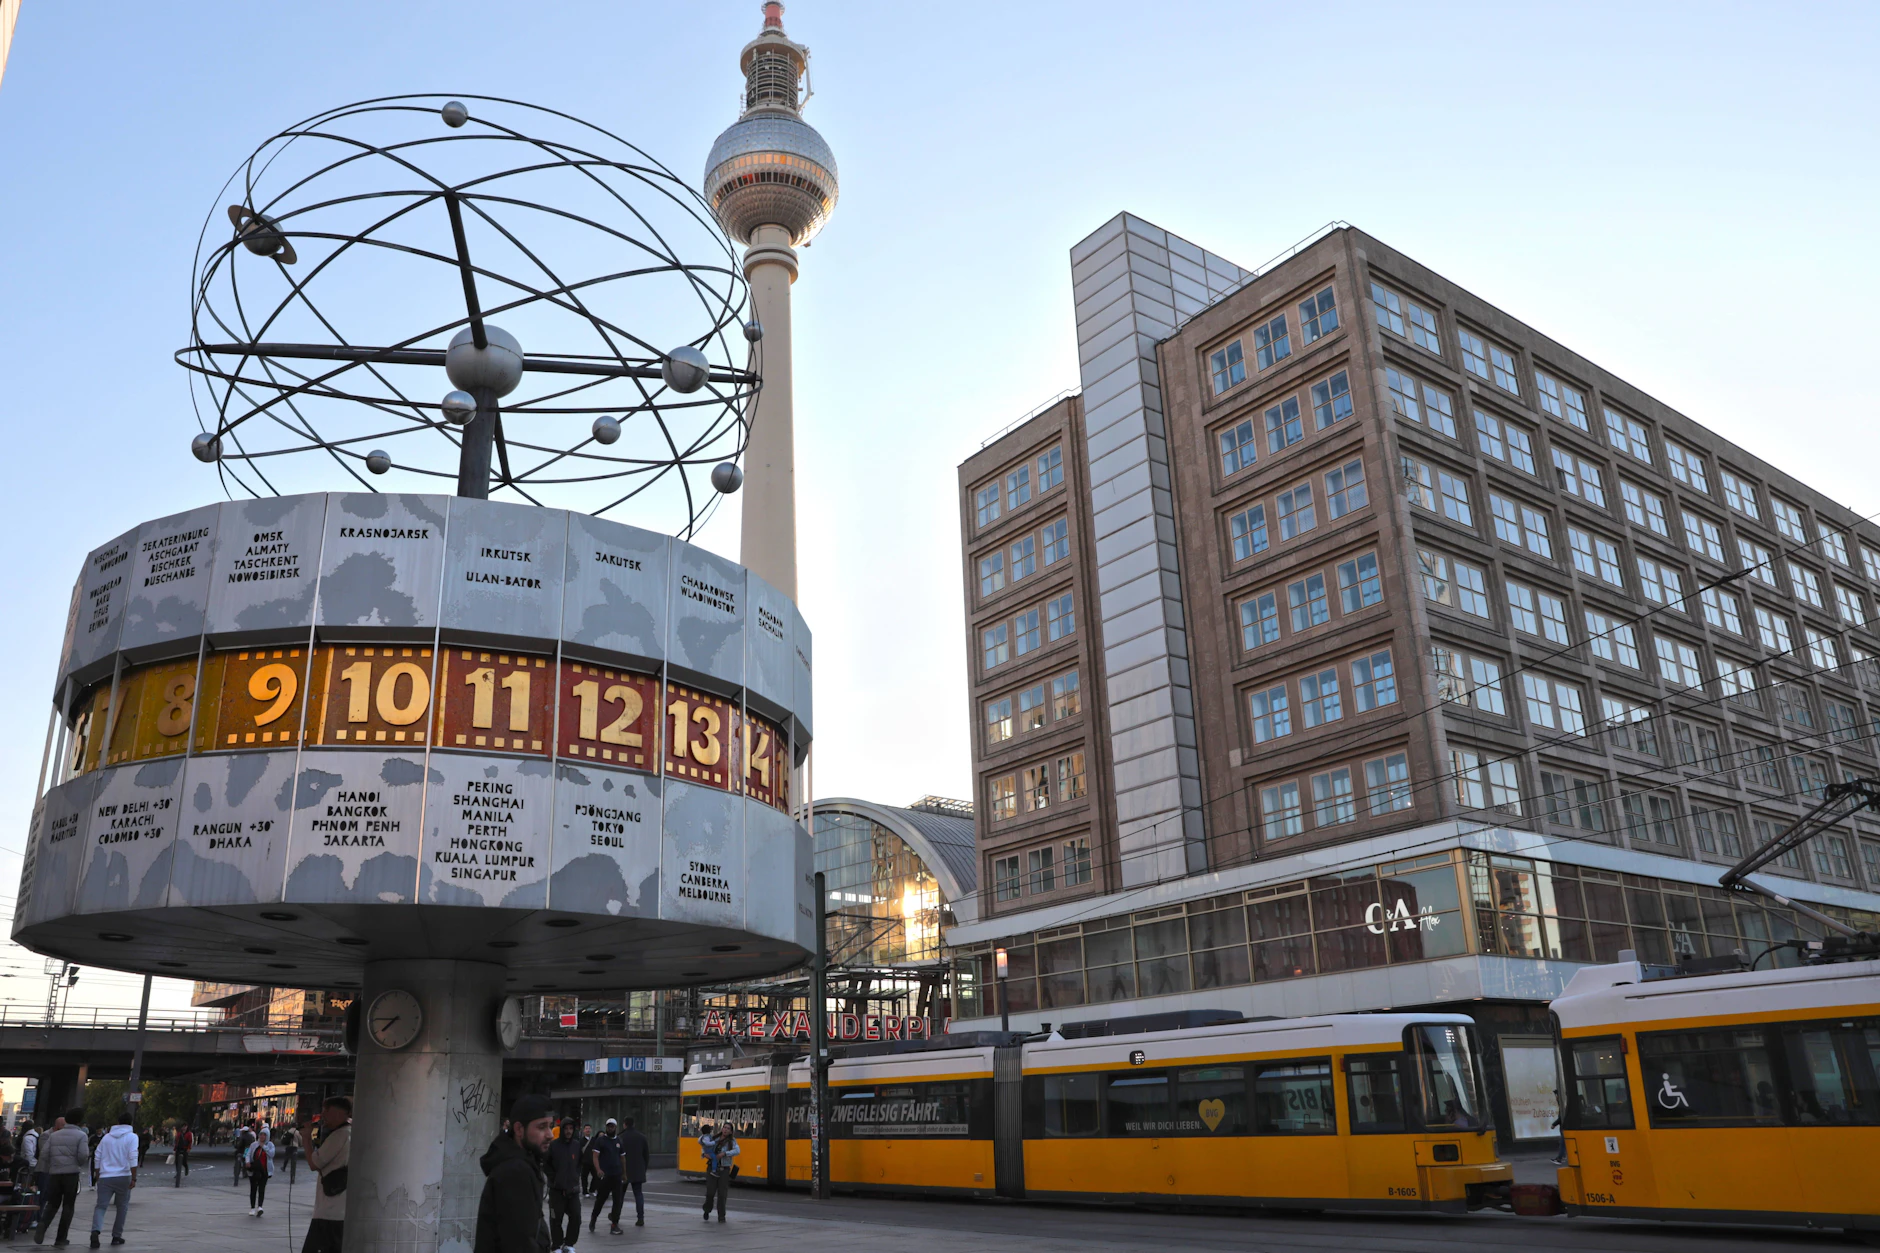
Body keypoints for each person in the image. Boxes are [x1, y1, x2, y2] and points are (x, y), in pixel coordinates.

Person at [473, 1095, 553, 1253]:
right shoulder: (515, 1171)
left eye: (550, 1126)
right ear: (519, 1129)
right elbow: (519, 1242)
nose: (550, 1134)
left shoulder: (523, 1163)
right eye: (542, 1127)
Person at [301, 1097, 351, 1253]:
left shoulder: (339, 1135)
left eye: (326, 1111)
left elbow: (314, 1163)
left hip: (329, 1211)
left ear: (338, 1113)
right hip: (342, 1209)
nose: (322, 1116)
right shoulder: (351, 1132)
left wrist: (306, 1138)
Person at [34, 1111, 85, 1247]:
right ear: (79, 1122)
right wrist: (76, 1163)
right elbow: (83, 1156)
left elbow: (44, 1154)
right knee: (68, 1206)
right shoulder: (81, 1135)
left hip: (55, 1173)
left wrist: (54, 1164)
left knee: (52, 1204)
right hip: (71, 1174)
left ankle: (43, 1224)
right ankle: (61, 1238)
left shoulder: (54, 1135)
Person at [89, 1111, 137, 1249]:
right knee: (122, 1207)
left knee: (101, 1206)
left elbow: (97, 1156)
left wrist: (98, 1174)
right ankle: (116, 1236)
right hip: (123, 1176)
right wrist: (134, 1177)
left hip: (105, 1176)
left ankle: (95, 1231)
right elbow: (133, 1157)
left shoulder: (107, 1137)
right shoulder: (132, 1137)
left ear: (118, 1122)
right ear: (130, 1123)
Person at [544, 1119, 582, 1253]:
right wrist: (554, 1180)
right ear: (562, 1130)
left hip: (573, 1190)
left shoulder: (576, 1145)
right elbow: (546, 1164)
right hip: (556, 1190)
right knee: (555, 1219)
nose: (568, 1131)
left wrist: (575, 1176)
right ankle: (556, 1245)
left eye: (571, 1129)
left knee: (576, 1216)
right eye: (566, 1129)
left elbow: (580, 1163)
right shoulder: (553, 1146)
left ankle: (569, 1243)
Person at [586, 1119, 623, 1235]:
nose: (610, 1128)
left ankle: (614, 1225)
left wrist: (625, 1173)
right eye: (608, 1126)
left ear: (616, 1127)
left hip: (617, 1175)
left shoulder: (619, 1141)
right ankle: (593, 1219)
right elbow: (595, 1156)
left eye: (612, 1126)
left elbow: (623, 1157)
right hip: (605, 1176)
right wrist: (598, 1169)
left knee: (618, 1201)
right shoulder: (601, 1140)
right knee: (601, 1200)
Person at [700, 1124, 737, 1224]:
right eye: (724, 1127)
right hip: (712, 1168)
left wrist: (725, 1154)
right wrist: (704, 1154)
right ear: (722, 1129)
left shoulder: (731, 1142)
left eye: (728, 1129)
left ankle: (721, 1216)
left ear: (730, 1131)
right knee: (710, 1192)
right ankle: (707, 1210)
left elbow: (737, 1151)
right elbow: (704, 1146)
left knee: (722, 1194)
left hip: (724, 1169)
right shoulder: (714, 1138)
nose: (725, 1130)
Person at [617, 1118, 649, 1229]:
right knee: (638, 1194)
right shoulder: (642, 1137)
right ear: (634, 1124)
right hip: (638, 1170)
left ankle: (616, 1216)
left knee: (620, 1195)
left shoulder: (620, 1137)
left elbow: (617, 1155)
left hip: (623, 1171)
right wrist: (643, 1169)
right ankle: (640, 1218)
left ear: (624, 1124)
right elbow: (646, 1156)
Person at [245, 1129, 274, 1217]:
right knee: (253, 1189)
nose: (262, 1137)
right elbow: (248, 1154)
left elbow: (271, 1154)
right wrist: (247, 1162)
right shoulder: (253, 1145)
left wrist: (263, 1146)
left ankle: (260, 1207)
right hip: (255, 1170)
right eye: (261, 1135)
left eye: (264, 1135)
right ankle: (252, 1208)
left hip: (265, 1170)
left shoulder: (270, 1145)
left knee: (262, 1189)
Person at [576, 1125, 594, 1197]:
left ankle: (592, 1189)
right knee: (584, 1177)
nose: (588, 1130)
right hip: (584, 1161)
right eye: (586, 1129)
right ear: (584, 1130)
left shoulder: (593, 1140)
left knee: (596, 1176)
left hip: (592, 1161)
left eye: (589, 1129)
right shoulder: (580, 1141)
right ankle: (585, 1191)